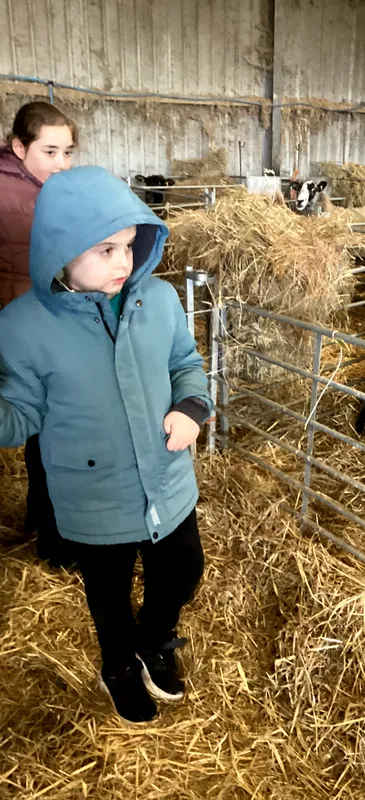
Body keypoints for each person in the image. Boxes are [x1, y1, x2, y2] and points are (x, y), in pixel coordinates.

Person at [0, 166, 212, 724]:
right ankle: (118, 666)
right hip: (91, 494)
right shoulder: (23, 327)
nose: (124, 262)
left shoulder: (159, 299)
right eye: (105, 249)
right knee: (108, 593)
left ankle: (155, 638)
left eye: (130, 245)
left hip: (167, 477)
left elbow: (185, 363)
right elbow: (19, 416)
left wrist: (192, 407)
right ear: (60, 251)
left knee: (184, 569)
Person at [0, 101, 78, 566]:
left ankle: (40, 521)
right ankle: (56, 541)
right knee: (48, 429)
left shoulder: (42, 190)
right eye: (50, 152)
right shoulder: (15, 196)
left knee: (39, 428)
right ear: (19, 147)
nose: (62, 163)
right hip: (19, 331)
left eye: (67, 152)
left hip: (30, 327)